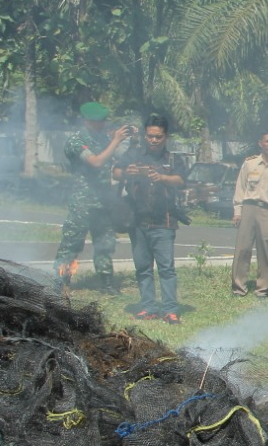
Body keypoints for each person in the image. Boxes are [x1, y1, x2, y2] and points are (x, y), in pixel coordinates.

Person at [114, 114, 187, 323]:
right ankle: (148, 307)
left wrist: (162, 177)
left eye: (158, 137)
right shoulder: (133, 154)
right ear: (145, 135)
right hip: (137, 221)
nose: (154, 140)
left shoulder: (173, 159)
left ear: (166, 137)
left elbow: (181, 181)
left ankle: (170, 309)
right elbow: (116, 172)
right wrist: (127, 172)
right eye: (150, 136)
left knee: (166, 269)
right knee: (143, 267)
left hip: (164, 222)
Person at [54, 101, 133, 294]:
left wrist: (127, 138)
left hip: (102, 202)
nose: (102, 124)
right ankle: (60, 282)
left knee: (105, 243)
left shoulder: (103, 139)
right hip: (82, 202)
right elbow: (96, 162)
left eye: (104, 120)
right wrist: (114, 141)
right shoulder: (76, 141)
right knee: (71, 244)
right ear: (87, 121)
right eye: (98, 121)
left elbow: (121, 155)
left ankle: (107, 283)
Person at [231, 131, 268, 298]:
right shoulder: (250, 163)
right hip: (249, 208)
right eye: (267, 141)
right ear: (260, 143)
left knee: (266, 250)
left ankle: (262, 289)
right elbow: (240, 187)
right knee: (243, 249)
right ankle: (239, 287)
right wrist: (237, 211)